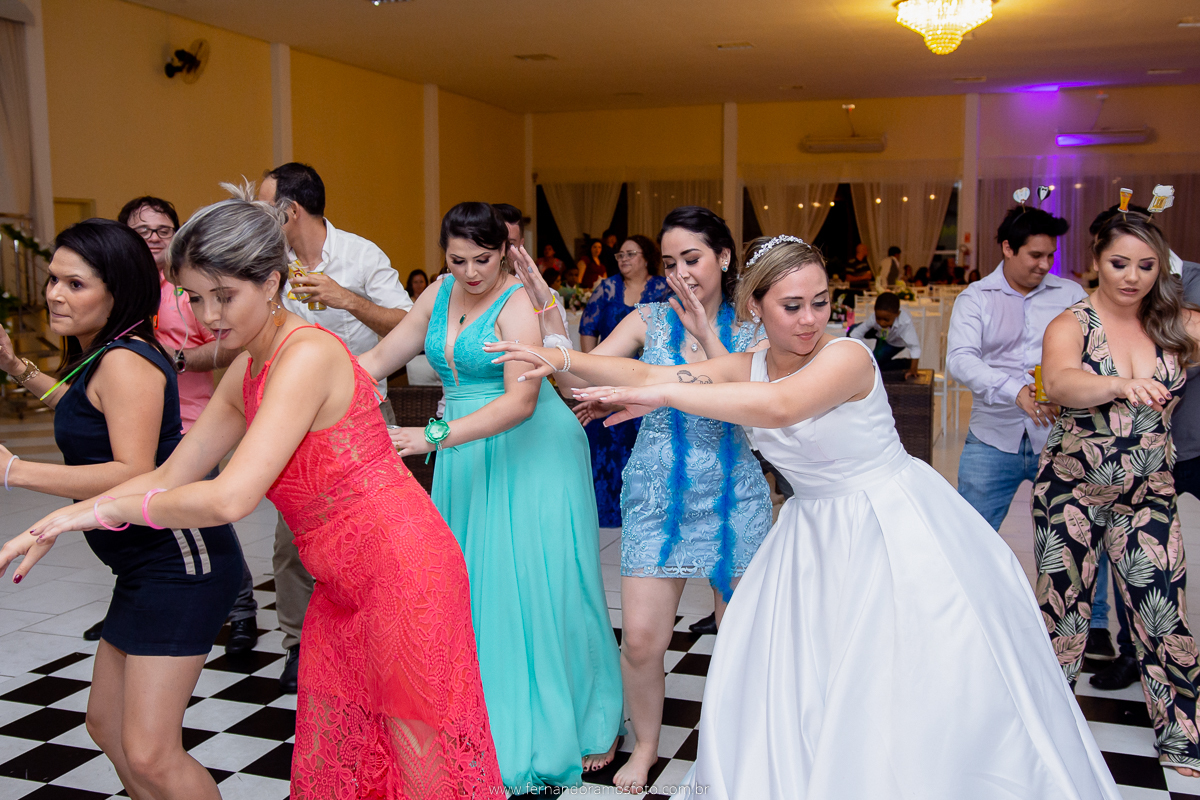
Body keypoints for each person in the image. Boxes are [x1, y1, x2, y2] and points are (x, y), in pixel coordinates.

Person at [494, 235, 1122, 799]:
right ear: (757, 310)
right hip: (813, 535)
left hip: (890, 524)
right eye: (791, 307)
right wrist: (559, 355)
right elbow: (640, 368)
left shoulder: (847, 356)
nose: (810, 319)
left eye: (819, 302)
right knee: (812, 680)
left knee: (902, 676)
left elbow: (780, 406)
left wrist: (660, 393)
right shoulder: (750, 361)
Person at [6, 188, 505, 798]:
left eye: (225, 296)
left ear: (272, 283)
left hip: (403, 570)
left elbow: (229, 498)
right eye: (193, 296)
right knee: (345, 760)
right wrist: (57, 521)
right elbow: (170, 473)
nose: (209, 315)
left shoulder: (308, 355)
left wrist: (99, 511)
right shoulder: (248, 367)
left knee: (421, 763)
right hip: (341, 582)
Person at [487, 206, 772, 793]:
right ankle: (643, 746)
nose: (681, 274)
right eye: (670, 264)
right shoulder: (648, 319)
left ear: (723, 257)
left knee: (740, 640)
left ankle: (731, 749)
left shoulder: (754, 328)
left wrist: (695, 348)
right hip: (656, 497)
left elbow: (750, 398)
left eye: (692, 259)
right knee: (642, 641)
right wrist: (547, 311)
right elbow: (580, 377)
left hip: (731, 502)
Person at [357, 202, 623, 794]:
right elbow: (376, 359)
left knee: (539, 583)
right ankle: (481, 716)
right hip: (466, 455)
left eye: (484, 258)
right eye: (458, 260)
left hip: (531, 450)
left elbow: (521, 402)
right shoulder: (438, 296)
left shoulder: (519, 304)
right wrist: (313, 380)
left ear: (505, 252)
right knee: (472, 586)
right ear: (443, 255)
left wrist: (430, 435)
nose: (472, 272)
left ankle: (584, 719)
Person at [0, 220, 244, 799]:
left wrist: (13, 470)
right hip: (140, 566)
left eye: (75, 284)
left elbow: (131, 471)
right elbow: (86, 411)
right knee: (106, 726)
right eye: (53, 279)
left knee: (152, 753)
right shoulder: (104, 355)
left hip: (179, 564)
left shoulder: (125, 360)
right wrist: (17, 368)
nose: (55, 294)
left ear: (117, 291)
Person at [1036, 210, 1200, 776]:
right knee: (1064, 616)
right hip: (1072, 493)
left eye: (1147, 266)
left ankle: (1181, 737)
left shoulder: (1175, 323)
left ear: (1163, 267)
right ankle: (1043, 732)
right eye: (1119, 263)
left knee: (1162, 613)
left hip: (1149, 492)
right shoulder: (1072, 324)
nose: (1132, 276)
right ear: (1097, 261)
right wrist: (1118, 383)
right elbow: (1059, 381)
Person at [257, 161, 414, 693]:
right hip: (294, 423)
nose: (260, 215)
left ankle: (374, 638)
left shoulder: (361, 255)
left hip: (363, 414)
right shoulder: (268, 260)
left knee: (372, 538)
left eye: (265, 206)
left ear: (291, 210)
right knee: (292, 542)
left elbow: (410, 323)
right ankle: (300, 646)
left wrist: (344, 298)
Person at [116, 195, 259, 657]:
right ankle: (137, 599)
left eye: (163, 230)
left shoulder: (188, 291)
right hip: (131, 423)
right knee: (139, 522)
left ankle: (241, 611)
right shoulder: (122, 289)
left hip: (191, 422)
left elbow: (227, 348)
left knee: (205, 522)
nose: (154, 239)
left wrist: (170, 359)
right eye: (143, 231)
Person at [946, 206, 1082, 524]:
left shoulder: (1070, 294)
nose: (1045, 265)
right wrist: (1015, 390)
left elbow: (1093, 354)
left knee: (1072, 540)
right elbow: (960, 358)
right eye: (1036, 255)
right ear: (1008, 247)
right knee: (971, 538)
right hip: (991, 438)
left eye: (1050, 255)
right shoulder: (976, 298)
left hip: (1057, 437)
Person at [578, 235, 671, 527]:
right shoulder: (606, 288)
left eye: (630, 254)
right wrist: (592, 367)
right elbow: (588, 327)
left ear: (647, 257)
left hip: (649, 378)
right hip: (610, 371)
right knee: (604, 440)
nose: (623, 259)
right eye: (619, 255)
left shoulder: (661, 288)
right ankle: (605, 509)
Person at [849, 291, 921, 378]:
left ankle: (905, 363)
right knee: (852, 328)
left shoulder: (905, 323)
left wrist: (913, 368)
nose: (882, 323)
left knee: (875, 364)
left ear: (897, 314)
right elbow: (857, 332)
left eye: (886, 320)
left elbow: (915, 347)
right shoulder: (874, 319)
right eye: (878, 318)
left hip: (895, 342)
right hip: (879, 333)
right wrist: (851, 352)